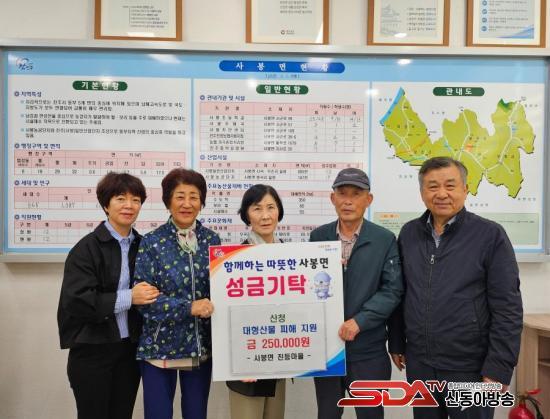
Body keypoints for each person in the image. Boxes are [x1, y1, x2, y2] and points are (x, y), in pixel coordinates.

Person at [388, 156, 523, 419]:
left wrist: (498, 368)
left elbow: (508, 308)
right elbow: (400, 292)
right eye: (432, 186)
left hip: (470, 367)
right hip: (421, 365)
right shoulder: (409, 233)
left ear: (465, 189)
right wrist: (396, 341)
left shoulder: (490, 235)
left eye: (450, 185)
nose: (441, 194)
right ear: (422, 192)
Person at [57, 172, 159, 419]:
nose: (129, 205)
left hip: (129, 351)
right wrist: (129, 297)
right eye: (120, 198)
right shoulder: (86, 248)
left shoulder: (144, 246)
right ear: (106, 204)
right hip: (92, 351)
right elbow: (77, 300)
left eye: (135, 200)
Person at [310, 168, 403, 419]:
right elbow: (308, 286)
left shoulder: (384, 239)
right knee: (327, 414)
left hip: (368, 349)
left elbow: (392, 289)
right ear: (333, 198)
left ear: (368, 199)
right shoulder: (318, 237)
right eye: (342, 194)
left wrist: (360, 321)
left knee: (370, 414)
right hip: (328, 351)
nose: (348, 201)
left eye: (356, 194)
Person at [133, 168, 221, 419]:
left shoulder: (212, 240)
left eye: (194, 197)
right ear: (168, 201)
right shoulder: (152, 242)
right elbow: (145, 300)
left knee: (196, 414)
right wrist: (189, 307)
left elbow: (221, 290)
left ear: (201, 202)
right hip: (159, 348)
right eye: (180, 196)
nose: (187, 203)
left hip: (200, 347)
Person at [226, 184, 287, 419]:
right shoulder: (233, 258)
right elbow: (227, 317)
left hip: (278, 360)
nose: (265, 215)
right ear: (246, 215)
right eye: (257, 208)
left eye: (271, 207)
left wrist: (330, 265)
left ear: (279, 212)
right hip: (246, 366)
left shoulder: (291, 256)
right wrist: (240, 361)